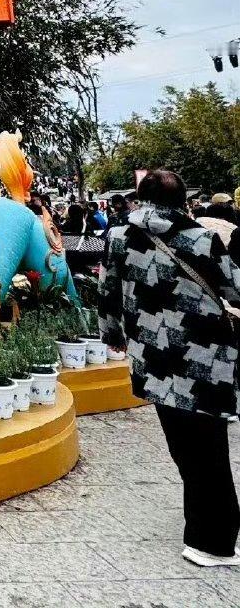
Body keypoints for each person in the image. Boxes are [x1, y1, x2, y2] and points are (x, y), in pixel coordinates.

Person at [99, 168, 240, 567]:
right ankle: (211, 542)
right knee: (210, 448)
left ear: (139, 198)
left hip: (153, 357)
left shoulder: (119, 237)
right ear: (183, 201)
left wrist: (112, 335)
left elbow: (107, 292)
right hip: (205, 357)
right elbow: (234, 289)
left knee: (184, 446)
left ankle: (205, 525)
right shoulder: (202, 238)